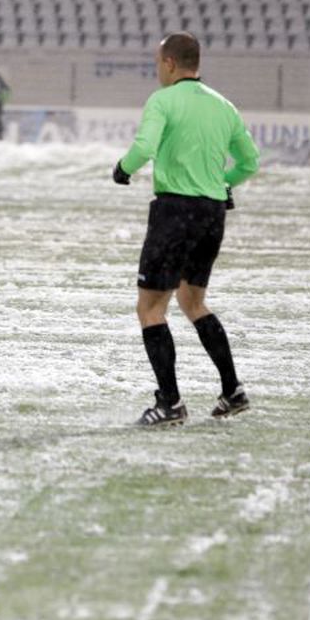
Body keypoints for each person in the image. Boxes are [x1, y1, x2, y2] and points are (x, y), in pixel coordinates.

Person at [113, 32, 260, 427]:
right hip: (212, 213)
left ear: (170, 63)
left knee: (150, 308)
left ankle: (170, 403)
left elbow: (144, 148)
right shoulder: (224, 106)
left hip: (175, 211)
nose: (157, 70)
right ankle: (232, 391)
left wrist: (123, 170)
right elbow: (250, 162)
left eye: (158, 62)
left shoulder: (163, 100)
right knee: (193, 302)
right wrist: (221, 183)